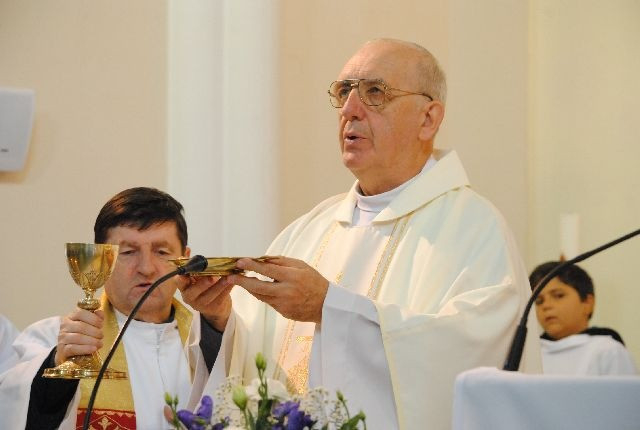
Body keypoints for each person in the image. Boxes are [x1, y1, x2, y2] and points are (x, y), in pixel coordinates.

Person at [202, 38, 541, 430]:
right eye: (343, 91)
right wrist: (219, 318)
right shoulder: (308, 229)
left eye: (375, 92)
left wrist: (329, 308)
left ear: (428, 119)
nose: (350, 109)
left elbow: (471, 358)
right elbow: (258, 360)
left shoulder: (474, 229)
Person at [0, 187, 231, 430]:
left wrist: (217, 325)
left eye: (162, 252)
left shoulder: (210, 340)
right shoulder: (54, 339)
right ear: (101, 259)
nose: (146, 268)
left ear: (186, 259)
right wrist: (60, 366)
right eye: (128, 252)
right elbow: (13, 410)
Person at [530, 261, 638, 375]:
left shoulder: (608, 351)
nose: (546, 305)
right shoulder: (529, 354)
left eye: (558, 295)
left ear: (587, 303)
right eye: (539, 301)